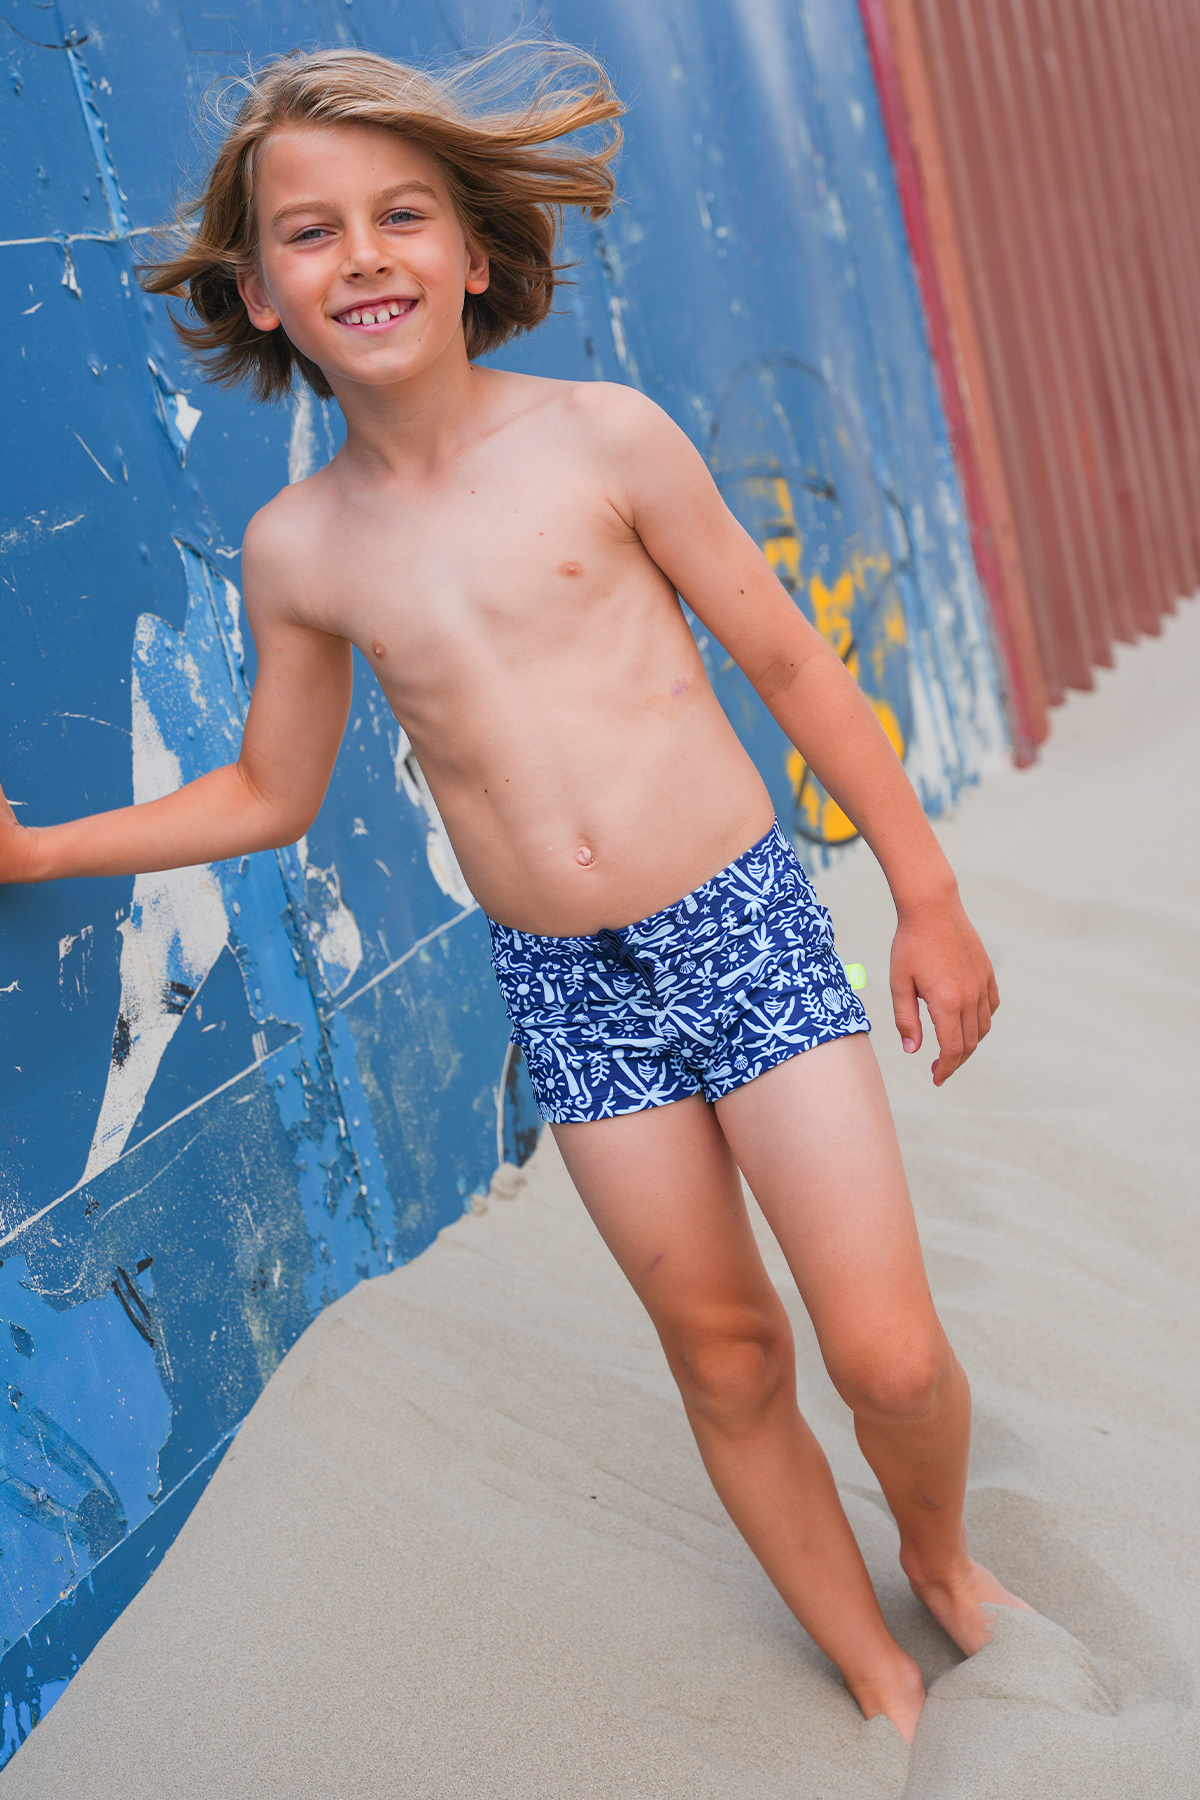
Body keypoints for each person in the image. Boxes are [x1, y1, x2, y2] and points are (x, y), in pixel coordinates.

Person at [0, 44, 1029, 1741]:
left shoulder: (601, 440)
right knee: (724, 1350)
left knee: (889, 1357)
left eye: (402, 214)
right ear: (260, 294)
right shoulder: (301, 550)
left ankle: (942, 1553)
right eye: (313, 234)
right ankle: (871, 1672)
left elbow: (787, 659)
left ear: (476, 252)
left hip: (741, 930)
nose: (366, 255)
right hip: (569, 987)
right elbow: (269, 791)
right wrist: (43, 853)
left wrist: (925, 894)